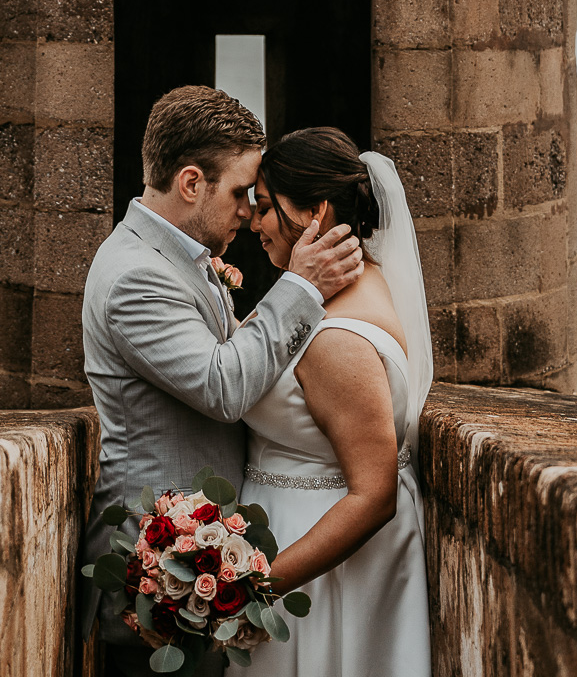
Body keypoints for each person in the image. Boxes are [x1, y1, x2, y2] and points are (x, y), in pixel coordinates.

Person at [82, 88, 364, 677]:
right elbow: (224, 386)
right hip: (158, 584)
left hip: (203, 576)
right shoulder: (136, 276)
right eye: (240, 193)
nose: (249, 212)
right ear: (191, 183)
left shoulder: (181, 259)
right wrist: (303, 289)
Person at [241, 127, 432, 675]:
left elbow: (374, 495)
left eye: (265, 207)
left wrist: (253, 589)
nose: (255, 224)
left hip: (317, 572)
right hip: (305, 553)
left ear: (315, 212)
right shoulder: (352, 283)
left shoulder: (334, 341)